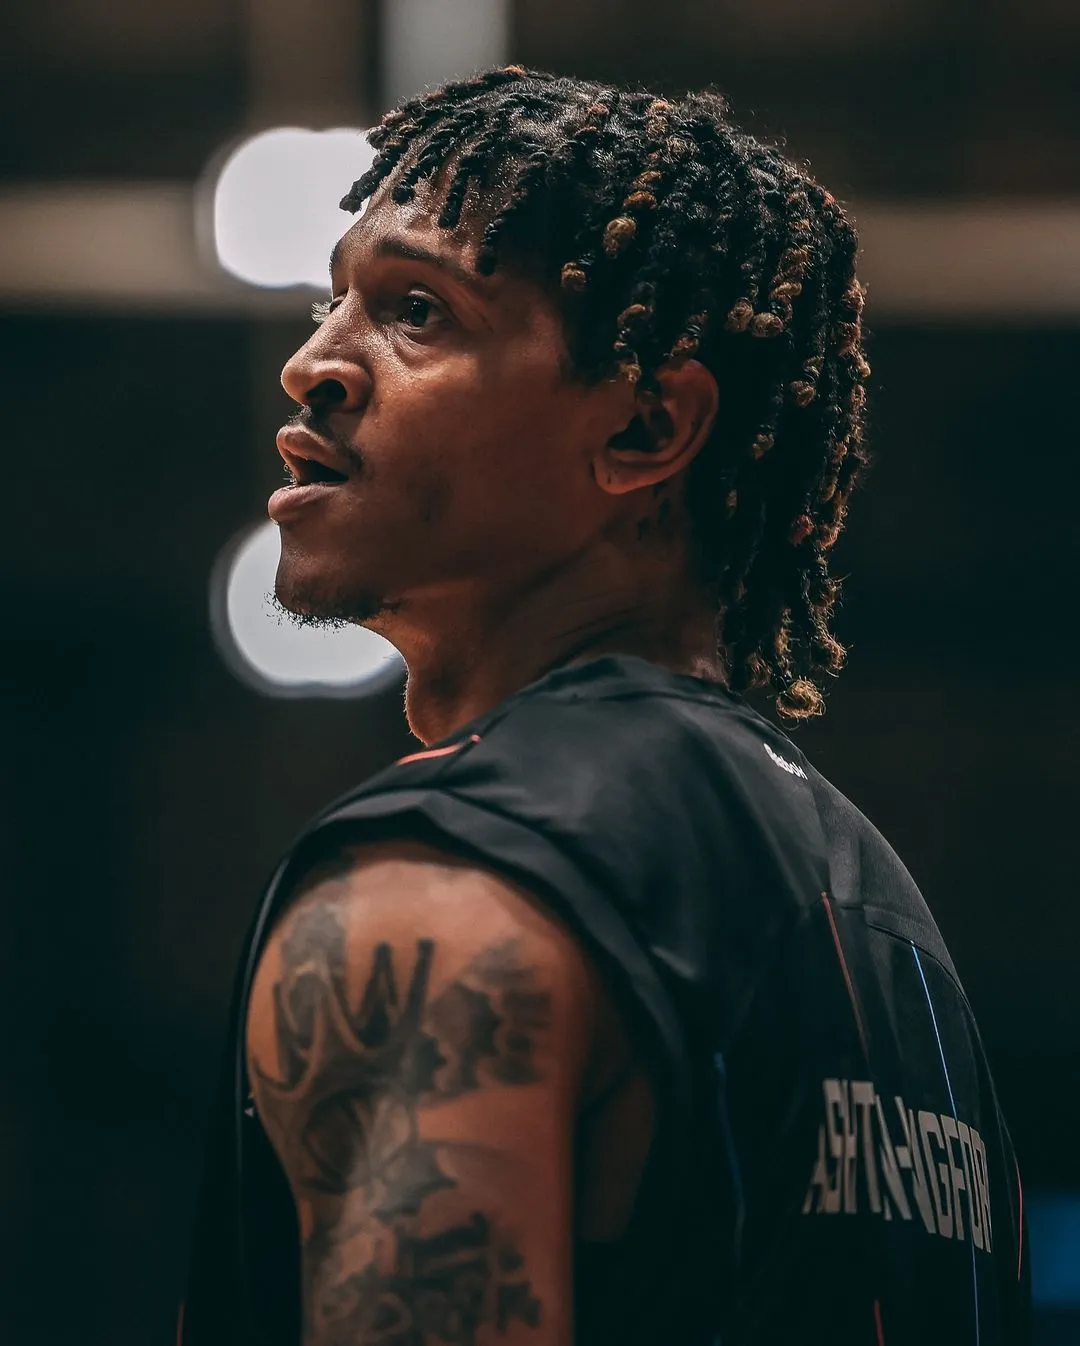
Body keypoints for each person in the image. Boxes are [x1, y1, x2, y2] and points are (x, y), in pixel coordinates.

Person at [180, 67, 1030, 1346]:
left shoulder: (444, 886)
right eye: (330, 301)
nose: (313, 363)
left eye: (417, 311)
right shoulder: (903, 948)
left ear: (644, 428)